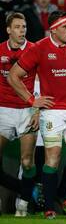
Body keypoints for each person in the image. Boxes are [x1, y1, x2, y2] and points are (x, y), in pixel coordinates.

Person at [7, 10, 66, 219]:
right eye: (65, 27)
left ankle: (60, 194)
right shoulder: (39, 48)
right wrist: (32, 100)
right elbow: (14, 76)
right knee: (53, 157)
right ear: (53, 29)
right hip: (51, 112)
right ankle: (48, 207)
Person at [0, 12, 37, 217]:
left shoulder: (34, 50)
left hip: (27, 110)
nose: (22, 30)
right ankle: (27, 190)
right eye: (17, 27)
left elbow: (41, 81)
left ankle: (22, 204)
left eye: (23, 27)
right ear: (8, 30)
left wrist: (38, 110)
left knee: (27, 162)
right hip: (3, 110)